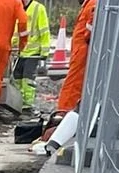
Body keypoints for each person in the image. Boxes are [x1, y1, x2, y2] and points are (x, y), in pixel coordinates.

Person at [32, 0, 91, 151]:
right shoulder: (90, 4)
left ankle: (60, 130)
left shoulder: (92, 5)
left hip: (82, 58)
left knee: (73, 88)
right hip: (81, 57)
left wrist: (62, 114)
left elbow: (89, 32)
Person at [11, 0, 51, 111]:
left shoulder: (38, 8)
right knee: (16, 79)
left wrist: (44, 53)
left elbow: (44, 31)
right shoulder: (17, 8)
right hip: (19, 52)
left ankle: (27, 105)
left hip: (33, 52)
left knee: (27, 80)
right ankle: (17, 104)